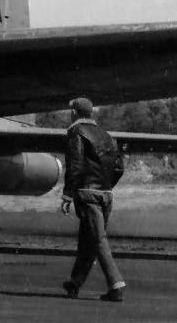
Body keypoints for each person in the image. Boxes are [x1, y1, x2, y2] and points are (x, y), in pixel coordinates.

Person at [60, 97, 127, 302]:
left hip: (87, 193)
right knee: (89, 240)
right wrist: (105, 187)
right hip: (106, 195)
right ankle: (75, 282)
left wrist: (67, 195)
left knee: (97, 239)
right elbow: (118, 168)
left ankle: (116, 284)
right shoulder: (107, 135)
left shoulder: (76, 132)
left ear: (74, 112)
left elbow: (76, 165)